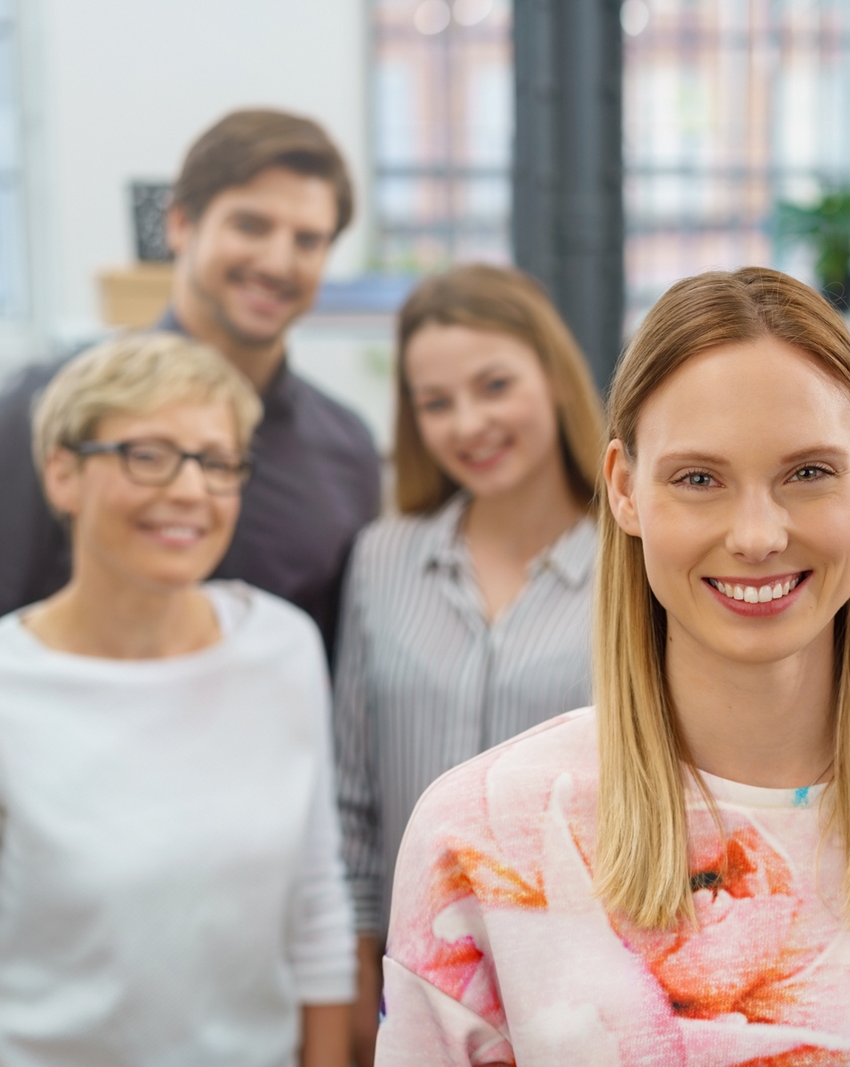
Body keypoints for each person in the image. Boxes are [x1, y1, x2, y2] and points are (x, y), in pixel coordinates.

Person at [371, 267, 850, 1065]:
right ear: (624, 488)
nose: (757, 535)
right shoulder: (477, 838)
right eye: (699, 479)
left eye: (807, 472)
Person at [0, 333, 356, 1067]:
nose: (191, 490)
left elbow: (317, 908)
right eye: (148, 454)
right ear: (63, 474)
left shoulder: (282, 649)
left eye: (217, 461)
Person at [0, 108, 381, 724]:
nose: (279, 262)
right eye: (250, 225)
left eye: (308, 241)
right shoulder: (49, 410)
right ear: (180, 224)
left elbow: (337, 683)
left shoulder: (345, 449)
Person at [333, 264, 605, 1066]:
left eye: (494, 385)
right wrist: (358, 980)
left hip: (583, 979)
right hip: (412, 985)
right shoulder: (381, 559)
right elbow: (353, 794)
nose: (469, 423)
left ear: (553, 376)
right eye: (436, 402)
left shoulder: (635, 564)